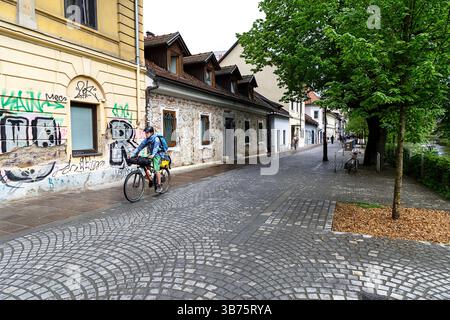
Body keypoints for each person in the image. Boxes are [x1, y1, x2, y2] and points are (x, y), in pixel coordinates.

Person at [130, 126, 165, 193]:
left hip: (158, 154)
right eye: (145, 133)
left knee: (156, 169)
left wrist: (153, 155)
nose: (146, 134)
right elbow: (139, 148)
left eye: (147, 133)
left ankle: (159, 185)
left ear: (151, 133)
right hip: (151, 154)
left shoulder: (156, 139)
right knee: (145, 163)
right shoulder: (147, 140)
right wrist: (132, 155)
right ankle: (151, 179)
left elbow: (156, 148)